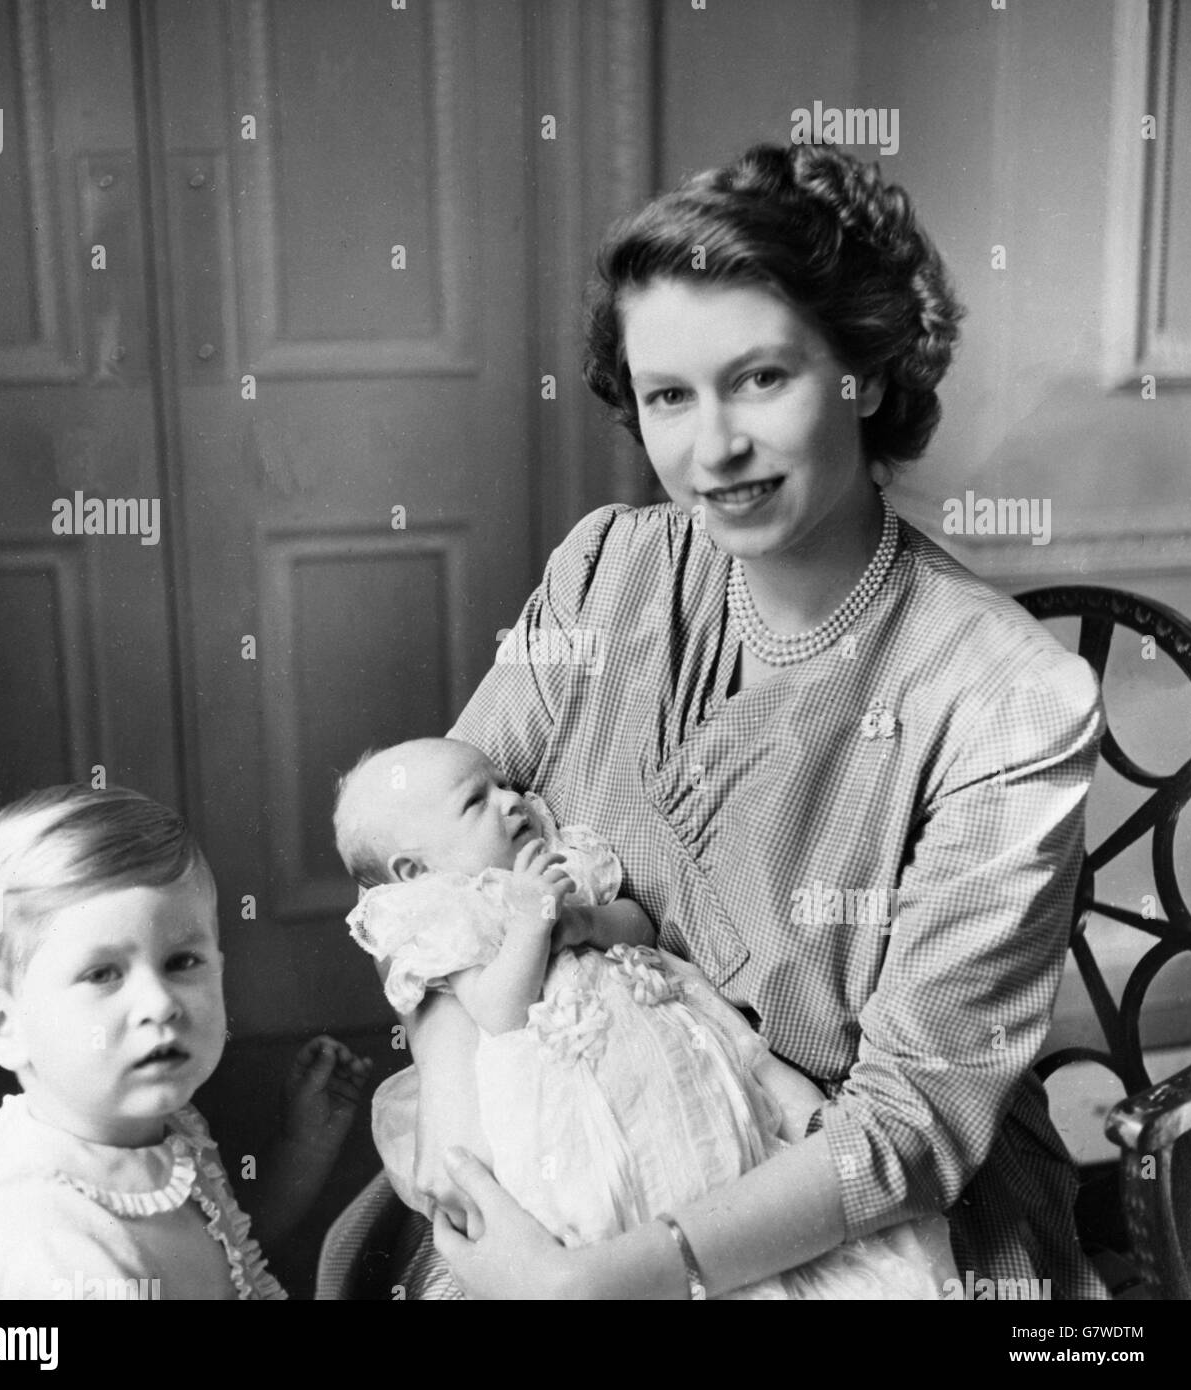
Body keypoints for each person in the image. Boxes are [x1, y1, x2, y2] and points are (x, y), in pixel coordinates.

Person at [394, 141, 1106, 1300]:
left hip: (853, 1207)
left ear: (866, 374)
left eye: (759, 379)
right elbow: (428, 879)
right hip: (573, 1126)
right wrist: (465, 1127)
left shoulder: (1007, 700)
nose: (710, 448)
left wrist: (606, 1280)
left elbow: (910, 1128)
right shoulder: (603, 572)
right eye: (670, 395)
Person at [336, 735, 953, 1298]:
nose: (512, 800)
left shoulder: (559, 858)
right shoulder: (454, 913)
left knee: (724, 1147)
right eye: (477, 800)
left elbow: (640, 926)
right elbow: (500, 1012)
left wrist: (586, 921)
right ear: (414, 874)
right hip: (566, 1102)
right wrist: (530, 922)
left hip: (665, 1051)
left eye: (504, 783)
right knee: (608, 1196)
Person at [0, 784, 370, 1299]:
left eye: (182, 962)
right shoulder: (58, 1256)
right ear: (4, 1026)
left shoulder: (157, 1130)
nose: (160, 1004)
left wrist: (302, 1149)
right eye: (102, 974)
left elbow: (225, 1260)